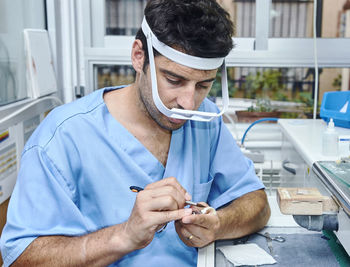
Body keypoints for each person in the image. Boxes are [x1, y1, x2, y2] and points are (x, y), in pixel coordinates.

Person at [0, 0, 270, 266]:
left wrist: (218, 225)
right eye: (174, 80)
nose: (188, 103)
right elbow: (21, 258)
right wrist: (124, 236)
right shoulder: (63, 137)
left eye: (203, 85)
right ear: (139, 57)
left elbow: (257, 203)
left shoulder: (204, 121)